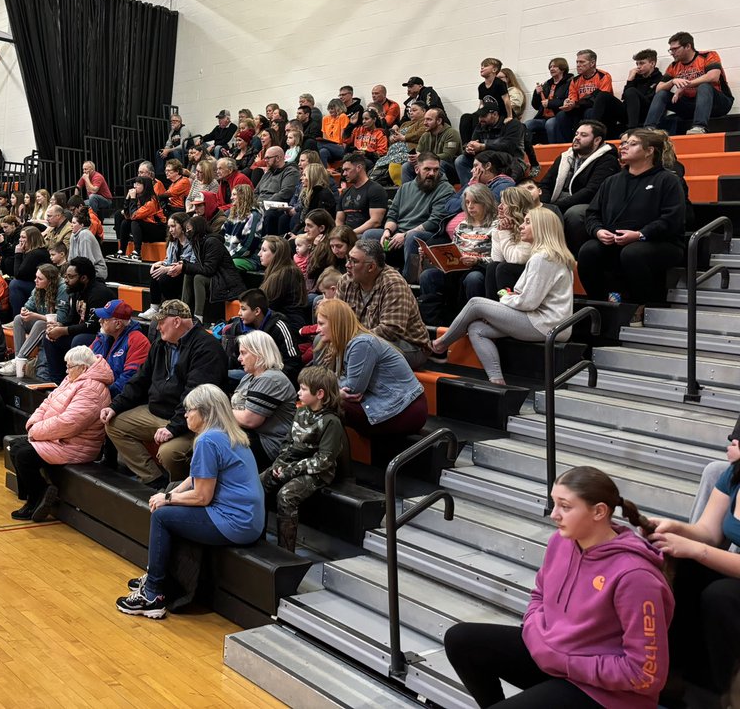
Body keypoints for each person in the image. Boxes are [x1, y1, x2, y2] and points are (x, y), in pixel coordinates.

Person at [449, 466, 672, 709]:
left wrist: (564, 661)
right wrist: (538, 637)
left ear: (599, 511)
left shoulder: (635, 576)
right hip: (558, 660)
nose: (554, 514)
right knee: (461, 640)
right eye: (554, 504)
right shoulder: (561, 541)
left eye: (565, 506)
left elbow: (645, 676)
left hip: (608, 694)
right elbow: (539, 596)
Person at [115, 383, 264, 620]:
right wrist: (170, 494)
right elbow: (195, 479)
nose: (185, 415)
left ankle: (152, 593)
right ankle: (159, 575)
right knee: (172, 491)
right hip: (249, 519)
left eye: (189, 410)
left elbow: (202, 496)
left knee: (163, 516)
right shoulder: (226, 433)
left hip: (235, 523)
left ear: (204, 413)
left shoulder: (208, 441)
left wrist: (167, 499)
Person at [430, 208, 574, 384]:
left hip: (546, 323)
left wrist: (505, 297)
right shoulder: (551, 256)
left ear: (542, 227)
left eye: (527, 222)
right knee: (476, 328)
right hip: (545, 321)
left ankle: (440, 345)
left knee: (476, 304)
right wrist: (512, 296)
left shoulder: (543, 258)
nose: (521, 226)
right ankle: (497, 381)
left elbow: (527, 302)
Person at [647, 432, 740, 698]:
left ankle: (724, 694)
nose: (732, 442)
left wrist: (696, 550)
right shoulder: (733, 474)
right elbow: (708, 532)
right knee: (682, 566)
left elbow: (704, 547)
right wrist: (674, 528)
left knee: (720, 594)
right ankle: (674, 677)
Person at [103, 299, 228, 487]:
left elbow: (195, 397)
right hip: (157, 412)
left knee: (170, 453)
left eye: (162, 322)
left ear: (177, 322)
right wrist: (115, 406)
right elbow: (140, 379)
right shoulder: (161, 343)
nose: (157, 326)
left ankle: (181, 488)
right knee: (114, 424)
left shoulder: (207, 348)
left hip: (191, 420)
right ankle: (154, 479)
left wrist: (173, 428)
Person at [578, 128, 686, 320]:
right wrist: (598, 231)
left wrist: (640, 234)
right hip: (616, 241)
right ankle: (600, 305)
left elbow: (672, 219)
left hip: (659, 243)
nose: (624, 147)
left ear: (649, 150)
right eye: (625, 144)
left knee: (633, 252)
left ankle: (645, 304)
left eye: (633, 144)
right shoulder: (611, 181)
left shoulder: (668, 179)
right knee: (588, 250)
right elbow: (592, 213)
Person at [6, 347, 114, 521]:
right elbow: (47, 402)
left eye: (69, 366)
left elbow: (69, 423)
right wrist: (34, 424)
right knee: (16, 446)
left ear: (84, 368)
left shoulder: (92, 389)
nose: (66, 370)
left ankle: (38, 496)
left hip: (76, 444)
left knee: (24, 455)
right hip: (59, 439)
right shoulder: (73, 378)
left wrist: (36, 431)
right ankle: (35, 495)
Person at [260, 366, 349, 552]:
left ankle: (285, 551)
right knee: (257, 484)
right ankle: (256, 536)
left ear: (320, 394)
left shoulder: (331, 422)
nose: (298, 392)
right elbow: (287, 443)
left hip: (318, 473)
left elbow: (323, 460)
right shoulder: (301, 412)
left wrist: (290, 470)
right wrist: (279, 464)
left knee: (286, 495)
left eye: (303, 389)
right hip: (293, 464)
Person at [312, 299, 427, 437]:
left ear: (336, 323)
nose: (317, 329)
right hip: (386, 404)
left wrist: (333, 389)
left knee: (323, 400)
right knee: (320, 398)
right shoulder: (341, 343)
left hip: (405, 410)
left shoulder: (361, 343)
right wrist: (335, 388)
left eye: (321, 324)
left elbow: (352, 389)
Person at [335, 240, 430, 369]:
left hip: (408, 345)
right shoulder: (346, 281)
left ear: (371, 267)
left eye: (354, 261)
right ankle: (322, 384)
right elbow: (336, 318)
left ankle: (351, 387)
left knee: (362, 350)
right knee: (322, 341)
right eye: (348, 259)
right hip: (362, 339)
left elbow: (390, 331)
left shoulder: (393, 284)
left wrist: (351, 339)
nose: (347, 265)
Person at [362, 153, 455, 282]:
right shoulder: (405, 188)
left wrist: (405, 235)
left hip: (427, 235)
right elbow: (393, 213)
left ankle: (408, 283)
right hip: (399, 233)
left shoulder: (445, 189)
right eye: (427, 169)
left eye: (436, 169)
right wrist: (387, 231)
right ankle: (372, 279)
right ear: (417, 169)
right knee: (370, 235)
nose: (432, 173)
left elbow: (435, 221)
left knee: (413, 237)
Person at [418, 182, 495, 325]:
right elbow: (454, 250)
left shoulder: (497, 226)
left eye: (475, 202)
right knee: (428, 276)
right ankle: (433, 325)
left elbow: (499, 259)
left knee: (474, 278)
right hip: (457, 268)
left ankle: (472, 322)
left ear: (486, 202)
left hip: (480, 268)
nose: (470, 206)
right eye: (467, 202)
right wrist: (432, 255)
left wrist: (477, 260)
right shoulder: (462, 225)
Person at [537, 120, 620, 253]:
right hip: (559, 202)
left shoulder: (607, 160)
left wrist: (556, 206)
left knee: (574, 214)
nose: (577, 137)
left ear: (597, 140)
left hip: (589, 205)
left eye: (583, 135)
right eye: (576, 134)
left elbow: (591, 191)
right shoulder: (565, 157)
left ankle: (574, 257)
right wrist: (542, 204)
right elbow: (545, 184)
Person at [230, 330, 297, 471]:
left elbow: (249, 420)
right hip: (251, 436)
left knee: (215, 446)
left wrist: (221, 412)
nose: (239, 359)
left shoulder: (270, 379)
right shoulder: (249, 376)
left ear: (258, 353)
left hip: (270, 444)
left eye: (244, 353)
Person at [645, 31, 734, 135]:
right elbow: (658, 89)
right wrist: (672, 81)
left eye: (675, 49)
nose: (672, 52)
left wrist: (686, 85)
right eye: (670, 50)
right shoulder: (673, 66)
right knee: (662, 94)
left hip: (718, 104)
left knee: (704, 86)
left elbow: (713, 76)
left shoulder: (708, 56)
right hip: (691, 106)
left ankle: (699, 127)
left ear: (688, 46)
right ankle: (649, 129)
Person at [40, 256, 112, 382]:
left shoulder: (99, 293)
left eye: (70, 277)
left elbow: (94, 325)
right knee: (49, 338)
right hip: (81, 331)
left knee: (79, 340)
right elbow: (72, 318)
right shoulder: (76, 291)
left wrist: (64, 330)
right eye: (65, 276)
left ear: (83, 278)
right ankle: (56, 382)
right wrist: (59, 325)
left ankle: (77, 381)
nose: (66, 280)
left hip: (102, 336)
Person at [220, 288, 301, 383]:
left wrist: (269, 378)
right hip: (246, 373)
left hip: (273, 379)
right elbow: (234, 359)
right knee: (219, 374)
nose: (239, 313)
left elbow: (293, 363)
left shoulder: (279, 327)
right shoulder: (237, 327)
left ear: (257, 311)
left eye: (243, 309)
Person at [3, 263, 69, 377]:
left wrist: (34, 315)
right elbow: (28, 306)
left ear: (50, 281)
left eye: (39, 278)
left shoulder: (62, 289)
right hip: (43, 324)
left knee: (40, 323)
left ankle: (21, 358)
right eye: (36, 277)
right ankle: (17, 361)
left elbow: (60, 319)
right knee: (18, 319)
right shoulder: (38, 288)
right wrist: (24, 311)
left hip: (57, 327)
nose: (35, 280)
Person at [179, 213, 244, 323]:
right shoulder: (197, 242)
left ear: (197, 228)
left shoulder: (212, 242)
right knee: (188, 273)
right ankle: (183, 311)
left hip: (226, 280)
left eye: (189, 229)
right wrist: (184, 265)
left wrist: (185, 266)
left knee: (198, 278)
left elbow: (209, 269)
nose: (187, 232)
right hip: (216, 276)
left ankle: (198, 317)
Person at [550, 49, 619, 143]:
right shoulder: (575, 80)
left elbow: (600, 98)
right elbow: (573, 97)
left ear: (592, 63)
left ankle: (590, 142)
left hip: (600, 109)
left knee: (589, 111)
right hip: (580, 107)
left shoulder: (603, 76)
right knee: (561, 115)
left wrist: (576, 104)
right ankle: (567, 144)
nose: (578, 65)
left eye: (582, 62)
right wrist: (569, 103)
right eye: (577, 62)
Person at [138, 212, 195, 320]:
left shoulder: (192, 242)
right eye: (169, 227)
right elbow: (169, 260)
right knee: (156, 272)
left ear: (183, 226)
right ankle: (154, 308)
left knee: (164, 278)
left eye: (173, 226)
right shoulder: (173, 241)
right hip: (174, 270)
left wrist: (167, 268)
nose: (170, 230)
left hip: (187, 273)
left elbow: (191, 263)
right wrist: (160, 263)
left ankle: (173, 308)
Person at [90, 300, 151, 397]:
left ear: (118, 324)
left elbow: (129, 379)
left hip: (114, 396)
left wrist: (102, 395)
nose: (99, 321)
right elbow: (85, 363)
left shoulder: (138, 341)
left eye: (105, 319)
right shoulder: (103, 336)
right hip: (92, 390)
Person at [485, 186, 536, 297]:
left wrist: (505, 233)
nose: (499, 207)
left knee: (504, 268)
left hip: (534, 274)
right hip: (514, 269)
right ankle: (492, 309)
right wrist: (499, 232)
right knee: (492, 266)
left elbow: (518, 259)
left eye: (504, 204)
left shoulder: (531, 226)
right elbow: (497, 259)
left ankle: (506, 308)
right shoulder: (505, 226)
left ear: (516, 206)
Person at [456, 102, 524, 186]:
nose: (480, 119)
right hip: (486, 161)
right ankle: (469, 190)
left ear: (495, 114)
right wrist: (469, 149)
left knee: (510, 169)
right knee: (461, 160)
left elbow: (509, 147)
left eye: (484, 116)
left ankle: (499, 190)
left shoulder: (512, 124)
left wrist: (483, 147)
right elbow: (474, 143)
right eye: (479, 116)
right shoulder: (481, 126)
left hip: (511, 161)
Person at [258, 235, 309, 330]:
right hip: (280, 323)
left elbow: (265, 306)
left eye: (264, 250)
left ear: (276, 254)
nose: (259, 254)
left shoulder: (285, 274)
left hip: (287, 327)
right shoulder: (284, 270)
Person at [404, 108, 461, 183]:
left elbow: (447, 156)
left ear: (439, 121)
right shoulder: (425, 135)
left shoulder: (452, 133)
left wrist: (423, 156)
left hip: (451, 170)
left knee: (439, 164)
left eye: (429, 120)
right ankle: (409, 192)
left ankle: (439, 192)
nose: (424, 123)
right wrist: (414, 158)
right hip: (430, 165)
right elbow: (419, 153)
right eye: (424, 119)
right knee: (407, 166)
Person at [116, 175, 166, 261]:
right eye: (135, 183)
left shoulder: (151, 201)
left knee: (135, 222)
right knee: (125, 222)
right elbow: (128, 216)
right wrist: (127, 199)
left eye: (138, 184)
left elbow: (134, 216)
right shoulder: (139, 198)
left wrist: (132, 199)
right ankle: (122, 251)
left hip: (158, 230)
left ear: (145, 186)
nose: (135, 186)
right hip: (146, 228)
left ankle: (137, 252)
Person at [338, 154, 387, 236]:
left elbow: (375, 222)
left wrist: (350, 234)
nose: (344, 174)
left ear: (359, 168)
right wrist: (339, 235)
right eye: (343, 170)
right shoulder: (345, 193)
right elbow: (339, 220)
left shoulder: (376, 189)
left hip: (365, 235)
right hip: (347, 236)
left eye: (347, 170)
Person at [221, 183, 263, 271]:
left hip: (248, 258)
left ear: (243, 196)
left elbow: (247, 246)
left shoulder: (254, 215)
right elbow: (221, 235)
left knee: (224, 266)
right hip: (230, 255)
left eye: (234, 195)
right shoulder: (233, 214)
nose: (231, 198)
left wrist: (227, 257)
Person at [622, 48, 664, 130]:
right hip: (631, 111)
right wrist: (630, 79)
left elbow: (653, 99)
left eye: (641, 63)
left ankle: (632, 129)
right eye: (637, 64)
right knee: (604, 96)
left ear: (652, 63)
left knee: (631, 91)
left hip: (648, 111)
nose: (638, 67)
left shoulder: (660, 78)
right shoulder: (635, 77)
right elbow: (624, 97)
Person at [68, 207, 107, 281]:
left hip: (96, 271)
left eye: (74, 223)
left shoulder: (85, 234)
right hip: (79, 270)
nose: (71, 225)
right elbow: (70, 258)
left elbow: (88, 262)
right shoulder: (73, 235)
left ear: (82, 225)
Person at [317, 98, 353, 166]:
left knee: (318, 144)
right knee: (323, 151)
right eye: (329, 108)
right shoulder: (325, 118)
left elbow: (344, 135)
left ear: (339, 108)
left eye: (332, 108)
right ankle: (324, 173)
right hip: (328, 146)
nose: (330, 110)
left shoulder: (343, 116)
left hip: (340, 147)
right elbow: (324, 137)